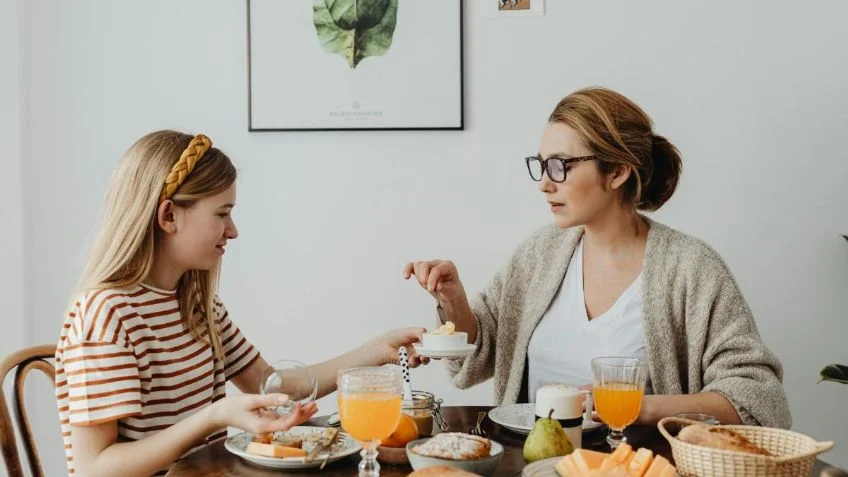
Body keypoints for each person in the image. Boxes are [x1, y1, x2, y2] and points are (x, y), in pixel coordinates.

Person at [404, 87, 791, 429]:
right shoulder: (539, 254)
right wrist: (453, 299)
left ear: (618, 171)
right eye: (540, 164)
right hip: (533, 464)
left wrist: (640, 408)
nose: (544, 182)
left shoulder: (691, 269)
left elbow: (758, 400)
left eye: (561, 165)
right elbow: (478, 355)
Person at [55, 130, 427, 477]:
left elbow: (270, 383)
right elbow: (95, 467)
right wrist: (213, 417)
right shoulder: (106, 315)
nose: (233, 230)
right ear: (169, 215)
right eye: (221, 213)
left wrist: (378, 349)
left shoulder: (199, 306)